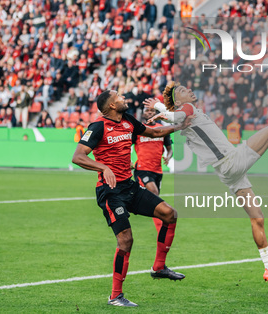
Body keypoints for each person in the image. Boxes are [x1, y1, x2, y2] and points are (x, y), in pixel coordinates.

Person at [144, 82, 268, 286]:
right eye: (181, 91)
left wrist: (161, 110)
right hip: (231, 162)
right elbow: (177, 116)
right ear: (178, 101)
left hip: (227, 172)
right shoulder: (186, 110)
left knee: (257, 218)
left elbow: (175, 120)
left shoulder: (186, 114)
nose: (187, 90)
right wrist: (163, 111)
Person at [72, 90, 189, 308]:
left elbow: (154, 133)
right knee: (126, 240)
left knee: (169, 214)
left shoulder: (128, 121)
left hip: (130, 187)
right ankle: (115, 296)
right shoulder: (98, 126)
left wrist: (181, 126)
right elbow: (78, 156)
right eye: (119, 97)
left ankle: (159, 268)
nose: (123, 99)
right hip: (110, 191)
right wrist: (103, 167)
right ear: (111, 106)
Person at [133, 106, 173, 234]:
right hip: (142, 169)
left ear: (155, 114)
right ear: (143, 113)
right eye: (147, 111)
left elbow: (169, 148)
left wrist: (168, 156)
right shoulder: (138, 129)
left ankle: (137, 203)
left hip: (157, 170)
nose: (149, 113)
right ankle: (162, 230)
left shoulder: (161, 129)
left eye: (152, 111)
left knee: (154, 201)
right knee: (154, 194)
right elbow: (126, 145)